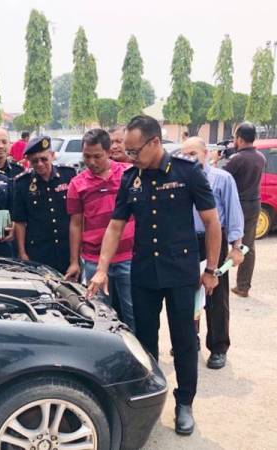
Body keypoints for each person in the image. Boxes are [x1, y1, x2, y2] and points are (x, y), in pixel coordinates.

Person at [87, 115, 221, 436]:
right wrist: (102, 268)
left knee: (184, 340)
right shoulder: (130, 179)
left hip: (180, 275)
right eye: (128, 151)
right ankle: (150, 398)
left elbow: (213, 223)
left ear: (155, 143)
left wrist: (212, 270)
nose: (130, 157)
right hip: (144, 273)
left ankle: (184, 403)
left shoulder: (188, 173)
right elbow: (116, 226)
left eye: (134, 151)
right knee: (144, 342)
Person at [181, 137, 245, 370]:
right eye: (184, 154)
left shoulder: (222, 179)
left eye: (193, 153)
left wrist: (237, 246)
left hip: (212, 241)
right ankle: (190, 339)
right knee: (186, 295)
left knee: (215, 295)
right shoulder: (180, 179)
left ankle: (218, 347)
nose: (189, 158)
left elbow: (234, 212)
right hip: (186, 242)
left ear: (205, 153)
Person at [65, 129, 136, 330]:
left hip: (128, 257)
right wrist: (73, 261)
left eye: (97, 156)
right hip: (93, 260)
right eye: (87, 156)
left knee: (133, 312)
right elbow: (76, 223)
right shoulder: (77, 184)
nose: (92, 161)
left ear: (108, 152)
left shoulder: (127, 175)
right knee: (99, 313)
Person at [12, 136, 76, 273]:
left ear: (52, 156)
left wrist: (76, 257)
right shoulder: (22, 183)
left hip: (67, 250)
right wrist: (22, 253)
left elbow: (77, 216)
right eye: (35, 161)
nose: (40, 164)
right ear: (28, 161)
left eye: (44, 159)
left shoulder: (68, 176)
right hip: (39, 252)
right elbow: (19, 221)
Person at [223, 122, 266, 298]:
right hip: (254, 204)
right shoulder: (260, 157)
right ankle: (243, 286)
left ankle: (216, 277)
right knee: (248, 246)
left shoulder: (237, 159)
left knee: (220, 241)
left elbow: (223, 176)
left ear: (239, 139)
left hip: (237, 206)